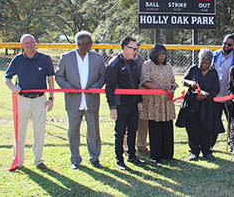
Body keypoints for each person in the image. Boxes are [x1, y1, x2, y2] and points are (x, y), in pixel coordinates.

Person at [3, 34, 55, 171]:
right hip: (22, 99)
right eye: (26, 43)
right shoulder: (18, 59)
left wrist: (51, 98)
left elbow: (50, 79)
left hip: (39, 99)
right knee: (19, 131)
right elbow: (6, 77)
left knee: (39, 130)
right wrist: (12, 88)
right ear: (21, 45)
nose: (29, 45)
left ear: (35, 43)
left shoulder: (45, 59)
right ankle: (18, 161)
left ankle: (38, 160)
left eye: (31, 42)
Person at [55, 31, 105, 170]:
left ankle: (94, 158)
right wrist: (68, 87)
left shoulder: (97, 58)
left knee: (94, 131)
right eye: (86, 43)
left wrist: (94, 87)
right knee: (73, 131)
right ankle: (75, 159)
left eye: (91, 42)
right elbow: (59, 76)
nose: (90, 45)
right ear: (78, 44)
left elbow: (103, 77)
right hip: (73, 100)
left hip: (91, 100)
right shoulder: (66, 57)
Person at [176, 48, 224, 161]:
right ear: (199, 60)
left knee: (207, 128)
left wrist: (206, 96)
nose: (204, 65)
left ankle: (207, 151)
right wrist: (190, 82)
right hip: (193, 104)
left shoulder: (213, 72)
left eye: (207, 63)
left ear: (210, 62)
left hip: (207, 105)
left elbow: (216, 89)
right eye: (202, 62)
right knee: (192, 128)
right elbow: (183, 80)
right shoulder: (193, 69)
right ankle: (193, 152)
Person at [105, 36, 145, 171]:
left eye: (137, 48)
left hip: (133, 104)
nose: (136, 51)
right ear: (125, 48)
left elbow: (137, 83)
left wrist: (139, 100)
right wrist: (112, 107)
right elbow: (109, 87)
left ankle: (132, 156)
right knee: (120, 132)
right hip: (121, 104)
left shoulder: (134, 63)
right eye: (134, 48)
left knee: (133, 130)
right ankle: (119, 160)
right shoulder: (114, 64)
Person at [139, 43, 178, 163]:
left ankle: (168, 154)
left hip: (166, 102)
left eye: (164, 54)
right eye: (160, 54)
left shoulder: (168, 66)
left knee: (167, 127)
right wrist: (160, 89)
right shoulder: (147, 65)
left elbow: (173, 82)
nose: (162, 56)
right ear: (154, 54)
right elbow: (144, 81)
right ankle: (156, 155)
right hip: (154, 102)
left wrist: (171, 90)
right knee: (155, 128)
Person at [210, 34, 234, 150]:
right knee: (214, 121)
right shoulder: (214, 55)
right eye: (224, 43)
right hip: (215, 96)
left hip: (229, 96)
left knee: (232, 121)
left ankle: (232, 145)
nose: (225, 46)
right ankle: (210, 145)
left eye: (229, 44)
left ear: (233, 45)